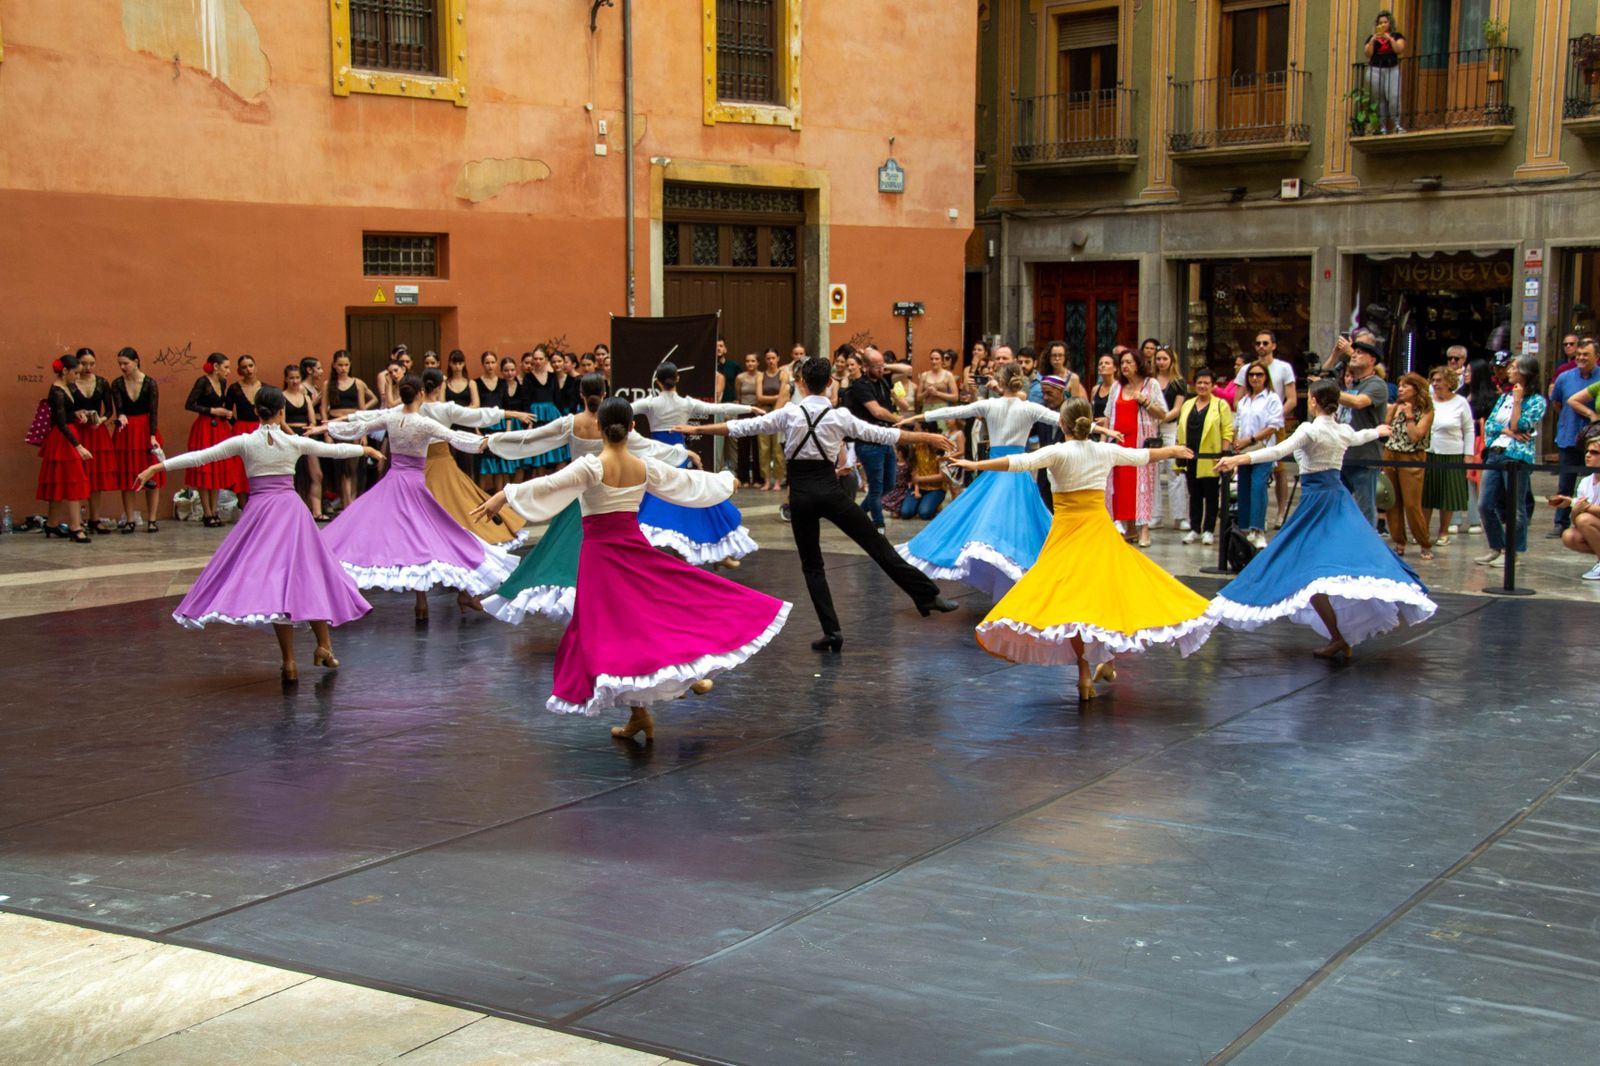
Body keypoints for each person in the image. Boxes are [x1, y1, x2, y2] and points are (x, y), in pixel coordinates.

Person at [473, 398, 790, 741]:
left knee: (612, 631)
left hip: (600, 558)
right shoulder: (643, 466)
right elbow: (686, 482)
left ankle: (674, 684)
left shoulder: (592, 466)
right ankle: (646, 709)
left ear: (599, 427)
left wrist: (504, 495)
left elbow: (548, 485)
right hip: (632, 549)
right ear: (633, 428)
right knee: (647, 615)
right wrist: (725, 482)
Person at [677, 356, 959, 652]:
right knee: (877, 545)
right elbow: (886, 435)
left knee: (813, 567)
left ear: (801, 383)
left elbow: (742, 427)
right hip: (830, 492)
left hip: (801, 496)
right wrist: (927, 436)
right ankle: (927, 596)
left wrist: (697, 430)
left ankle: (832, 631)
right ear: (829, 383)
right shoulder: (840, 416)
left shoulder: (789, 413)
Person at [955, 397, 1213, 703]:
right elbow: (1143, 456)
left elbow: (1016, 463)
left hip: (1067, 537)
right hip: (1099, 533)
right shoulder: (1104, 450)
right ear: (1089, 423)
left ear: (1061, 423)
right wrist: (1172, 451)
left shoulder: (1057, 452)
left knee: (1073, 606)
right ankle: (1106, 663)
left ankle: (1085, 673)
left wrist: (975, 465)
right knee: (1105, 597)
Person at [135, 387, 380, 682]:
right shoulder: (292, 441)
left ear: (255, 411)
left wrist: (158, 467)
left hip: (262, 515)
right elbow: (334, 450)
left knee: (278, 583)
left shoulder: (245, 441)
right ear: (281, 411)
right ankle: (322, 646)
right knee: (308, 576)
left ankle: (290, 661)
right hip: (291, 514)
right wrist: (365, 450)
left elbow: (200, 457)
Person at [1210, 380, 1435, 659]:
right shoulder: (1341, 430)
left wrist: (1238, 459)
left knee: (1307, 565)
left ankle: (1339, 635)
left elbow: (1278, 451)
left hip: (1318, 502)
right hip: (1337, 499)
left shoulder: (1311, 429)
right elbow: (1359, 437)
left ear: (1314, 401)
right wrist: (1377, 431)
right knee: (1329, 565)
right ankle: (1339, 636)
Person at [478, 373, 689, 623]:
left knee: (562, 557)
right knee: (603, 559)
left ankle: (590, 611)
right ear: (604, 394)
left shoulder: (573, 423)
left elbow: (532, 438)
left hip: (576, 495)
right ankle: (603, 610)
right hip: (603, 499)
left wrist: (493, 441)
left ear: (581, 394)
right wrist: (680, 452)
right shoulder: (613, 424)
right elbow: (650, 448)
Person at [322, 375, 514, 621]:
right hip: (414, 486)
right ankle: (447, 596)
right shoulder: (424, 423)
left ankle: (429, 600)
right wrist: (491, 442)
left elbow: (362, 425)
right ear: (421, 394)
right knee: (432, 537)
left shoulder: (392, 417)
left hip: (393, 484)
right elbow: (456, 437)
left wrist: (328, 427)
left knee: (380, 534)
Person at [893, 364, 1060, 598]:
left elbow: (954, 411)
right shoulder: (1030, 408)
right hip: (1017, 474)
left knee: (987, 522)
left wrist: (917, 416)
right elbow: (1062, 420)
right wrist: (1095, 427)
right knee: (1019, 526)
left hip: (995, 472)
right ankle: (1013, 584)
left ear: (1000, 383)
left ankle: (1005, 582)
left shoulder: (990, 405)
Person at [630, 362, 761, 567]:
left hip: (659, 458)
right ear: (677, 379)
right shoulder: (686, 403)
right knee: (694, 501)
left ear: (657, 382)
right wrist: (749, 408)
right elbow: (720, 408)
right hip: (679, 457)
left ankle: (700, 556)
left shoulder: (651, 403)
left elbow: (622, 411)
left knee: (671, 506)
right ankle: (713, 553)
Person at [1476, 354, 1547, 567]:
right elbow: (1490, 424)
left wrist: (1517, 402)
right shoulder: (1504, 397)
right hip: (1495, 452)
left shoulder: (1537, 401)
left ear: (1525, 371)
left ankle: (1513, 552)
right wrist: (1507, 430)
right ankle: (1496, 546)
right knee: (1485, 504)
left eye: (1514, 367)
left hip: (1516, 456)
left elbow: (1521, 425)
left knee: (1515, 506)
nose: (1509, 371)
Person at [1102, 347, 1168, 547]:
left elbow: (1162, 413)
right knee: (1122, 487)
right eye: (1122, 363)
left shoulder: (1151, 384)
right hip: (1119, 442)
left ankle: (1144, 529)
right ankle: (1129, 528)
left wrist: (1145, 402)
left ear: (1138, 364)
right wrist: (1104, 441)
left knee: (1142, 485)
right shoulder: (1117, 387)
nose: (1124, 366)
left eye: (1129, 362)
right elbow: (1108, 415)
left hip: (1140, 442)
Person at [1234, 331, 1298, 529]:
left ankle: (1279, 513)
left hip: (1272, 426)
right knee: (1246, 482)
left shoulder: (1283, 368)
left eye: (1265, 343)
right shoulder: (1246, 370)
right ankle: (1246, 525)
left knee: (1277, 471)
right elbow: (1237, 399)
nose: (1261, 346)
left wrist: (1274, 418)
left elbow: (1292, 399)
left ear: (1273, 345)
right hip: (1247, 428)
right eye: (1258, 343)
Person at [844, 348, 905, 533]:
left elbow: (908, 370)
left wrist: (884, 366)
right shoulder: (860, 386)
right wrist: (898, 419)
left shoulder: (883, 381)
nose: (881, 369)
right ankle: (879, 526)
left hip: (885, 438)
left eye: (882, 365)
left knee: (889, 484)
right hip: (869, 442)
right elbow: (877, 411)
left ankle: (856, 516)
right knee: (876, 488)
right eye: (876, 366)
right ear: (865, 367)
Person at [1175, 367, 1234, 546]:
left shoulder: (1220, 405)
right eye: (1199, 382)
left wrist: (1224, 453)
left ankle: (1208, 530)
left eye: (1206, 383)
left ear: (1212, 385)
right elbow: (1180, 429)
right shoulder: (1187, 404)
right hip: (1190, 456)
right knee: (1194, 494)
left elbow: (1227, 431)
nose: (1202, 386)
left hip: (1210, 457)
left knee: (1211, 495)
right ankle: (1194, 528)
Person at [37, 354, 94, 542]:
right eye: (75, 373)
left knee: (60, 482)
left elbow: (66, 414)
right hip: (64, 439)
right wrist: (78, 446)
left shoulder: (65, 387)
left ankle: (52, 523)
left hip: (66, 436)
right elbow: (61, 423)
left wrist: (78, 413)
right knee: (73, 482)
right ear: (65, 371)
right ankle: (75, 526)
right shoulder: (57, 392)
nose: (77, 376)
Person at [183, 354, 244, 527]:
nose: (228, 371)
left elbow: (220, 405)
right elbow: (189, 404)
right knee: (204, 468)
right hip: (204, 428)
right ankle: (207, 512)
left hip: (219, 428)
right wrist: (212, 411)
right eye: (226, 367)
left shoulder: (223, 383)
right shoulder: (202, 382)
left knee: (217, 467)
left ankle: (214, 510)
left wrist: (225, 413)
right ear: (216, 367)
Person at [1230, 363, 1286, 549]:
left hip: (1263, 449)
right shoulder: (1244, 401)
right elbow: (1237, 424)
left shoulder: (1272, 398)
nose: (1255, 378)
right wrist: (1236, 442)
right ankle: (1245, 528)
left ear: (1266, 377)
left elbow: (1273, 426)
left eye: (1259, 374)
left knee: (1258, 486)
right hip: (1244, 451)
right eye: (1252, 374)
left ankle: (1258, 528)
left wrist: (1250, 439)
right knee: (1244, 488)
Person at [1549, 338, 1600, 538]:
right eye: (1578, 354)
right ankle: (1560, 522)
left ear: (1596, 357)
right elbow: (1557, 404)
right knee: (1565, 482)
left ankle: (1590, 522)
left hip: (1595, 441)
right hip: (1569, 436)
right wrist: (1587, 413)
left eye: (1586, 354)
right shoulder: (1564, 377)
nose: (1581, 358)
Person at [1335, 337, 1389, 527]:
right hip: (1343, 453)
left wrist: (1326, 391)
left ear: (1372, 360)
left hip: (1364, 456)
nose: (1354, 355)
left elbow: (1359, 402)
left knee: (1365, 506)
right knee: (1337, 503)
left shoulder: (1376, 384)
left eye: (1360, 353)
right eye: (1354, 352)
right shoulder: (1353, 385)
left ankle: (1367, 543)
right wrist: (1335, 355)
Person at [110, 347, 163, 533]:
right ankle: (130, 519)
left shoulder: (150, 383)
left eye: (126, 363)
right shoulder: (117, 384)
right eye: (120, 364)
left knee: (152, 475)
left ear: (136, 361)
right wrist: (121, 415)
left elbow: (153, 411)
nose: (122, 367)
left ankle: (152, 519)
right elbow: (119, 408)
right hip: (126, 432)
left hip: (145, 429)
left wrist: (152, 435)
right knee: (128, 476)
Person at [67, 349, 118, 534]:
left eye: (91, 364)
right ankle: (78, 520)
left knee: (97, 477)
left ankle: (95, 518)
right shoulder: (71, 383)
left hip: (97, 432)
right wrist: (77, 414)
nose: (88, 368)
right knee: (78, 475)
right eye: (83, 364)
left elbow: (109, 410)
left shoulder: (102, 382)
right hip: (78, 431)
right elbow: (66, 408)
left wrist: (100, 420)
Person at [1384, 372, 1434, 560]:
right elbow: (1386, 428)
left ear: (1416, 388)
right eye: (1400, 386)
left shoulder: (1426, 410)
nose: (1401, 389)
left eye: (1405, 386)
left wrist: (1410, 416)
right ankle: (1399, 541)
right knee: (1392, 501)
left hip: (1412, 456)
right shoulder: (1395, 406)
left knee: (1412, 504)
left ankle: (1424, 542)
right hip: (1390, 454)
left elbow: (1415, 436)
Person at [320, 350, 379, 509]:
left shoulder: (357, 383)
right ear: (334, 365)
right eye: (340, 365)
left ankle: (352, 502)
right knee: (341, 468)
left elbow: (362, 410)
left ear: (350, 365)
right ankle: (346, 502)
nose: (343, 368)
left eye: (346, 365)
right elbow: (323, 409)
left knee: (353, 467)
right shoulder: (328, 384)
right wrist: (326, 432)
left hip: (353, 426)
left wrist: (364, 433)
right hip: (336, 425)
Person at [1422, 367, 1474, 546]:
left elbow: (1468, 429)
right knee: (1426, 494)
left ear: (1449, 382)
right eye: (1433, 380)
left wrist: (1469, 454)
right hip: (1428, 452)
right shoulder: (1428, 401)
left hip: (1452, 453)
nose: (1435, 384)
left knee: (1447, 494)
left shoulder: (1460, 402)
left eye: (1439, 380)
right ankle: (1423, 531)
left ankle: (1443, 531)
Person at [281, 363, 328, 522]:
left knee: (316, 474)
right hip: (289, 437)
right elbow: (282, 421)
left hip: (306, 436)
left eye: (297, 378)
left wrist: (310, 431)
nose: (294, 381)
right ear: (286, 379)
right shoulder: (282, 397)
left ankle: (316, 511)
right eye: (291, 378)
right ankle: (295, 512)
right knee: (296, 475)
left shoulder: (306, 398)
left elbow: (312, 420)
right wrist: (294, 436)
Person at [1548, 437, 1600, 580]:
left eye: (1594, 452)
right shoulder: (1585, 482)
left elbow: (1586, 515)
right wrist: (1573, 506)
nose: (1588, 455)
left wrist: (1586, 507)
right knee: (1570, 536)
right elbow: (1576, 521)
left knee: (1585, 519)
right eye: (1587, 451)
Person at [1151, 346, 1190, 530]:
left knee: (1175, 472)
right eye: (1158, 359)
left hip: (1170, 428)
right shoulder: (1150, 380)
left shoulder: (1178, 382)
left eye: (1164, 359)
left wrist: (1161, 418)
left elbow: (1177, 408)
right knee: (1153, 473)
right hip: (1152, 429)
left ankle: (1180, 516)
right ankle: (1155, 515)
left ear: (1171, 360)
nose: (1161, 362)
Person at [520, 348, 570, 475]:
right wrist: (528, 422)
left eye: (540, 359)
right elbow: (526, 400)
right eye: (535, 359)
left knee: (558, 451)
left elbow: (558, 398)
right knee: (539, 452)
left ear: (546, 360)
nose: (538, 361)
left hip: (552, 415)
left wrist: (565, 418)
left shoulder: (552, 377)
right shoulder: (528, 378)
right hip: (536, 415)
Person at [1364, 10, 1407, 134]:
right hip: (1375, 70)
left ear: (1390, 23)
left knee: (1394, 96)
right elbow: (1368, 54)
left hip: (1392, 69)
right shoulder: (1372, 38)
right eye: (1380, 23)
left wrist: (1390, 39)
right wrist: (1372, 40)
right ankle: (1382, 126)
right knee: (1379, 99)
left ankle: (1396, 124)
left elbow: (1399, 49)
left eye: (1385, 22)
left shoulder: (1396, 36)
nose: (1382, 25)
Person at [755, 349, 786, 491]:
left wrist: (773, 399)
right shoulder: (761, 376)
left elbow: (784, 394)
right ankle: (766, 480)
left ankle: (778, 480)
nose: (771, 361)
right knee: (764, 447)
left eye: (773, 358)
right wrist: (776, 397)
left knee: (778, 448)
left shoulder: (783, 374)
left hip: (779, 413)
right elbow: (759, 397)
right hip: (764, 412)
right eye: (768, 358)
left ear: (778, 358)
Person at [733, 352, 764, 487]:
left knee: (758, 447)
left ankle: (758, 478)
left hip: (758, 412)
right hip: (744, 412)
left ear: (758, 363)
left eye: (753, 361)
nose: (750, 363)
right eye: (747, 361)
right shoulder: (740, 377)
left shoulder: (761, 376)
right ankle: (743, 478)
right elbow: (738, 396)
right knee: (743, 446)